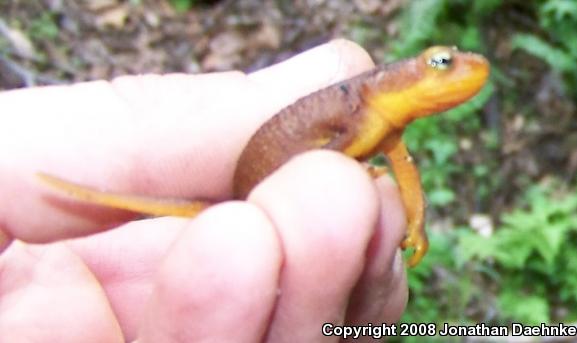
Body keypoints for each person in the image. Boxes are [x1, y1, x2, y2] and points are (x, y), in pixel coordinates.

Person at [0, 39, 408, 342]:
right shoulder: (357, 104)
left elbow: (401, 170)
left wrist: (416, 224)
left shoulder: (385, 128)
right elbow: (334, 158)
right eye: (440, 62)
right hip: (260, 185)